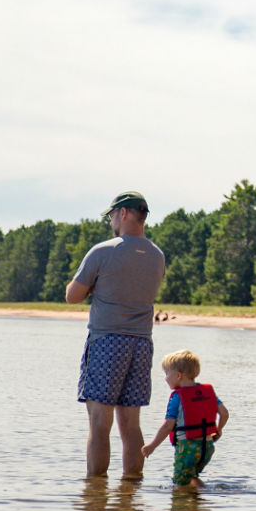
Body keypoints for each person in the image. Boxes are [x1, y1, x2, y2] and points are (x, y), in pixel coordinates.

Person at [68, 191, 167, 479]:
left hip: (107, 342)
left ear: (122, 213)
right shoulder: (157, 255)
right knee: (131, 425)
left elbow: (72, 296)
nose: (111, 220)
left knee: (100, 423)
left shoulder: (103, 250)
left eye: (111, 215)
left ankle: (94, 492)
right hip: (141, 343)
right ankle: (131, 490)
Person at [140, 350, 230, 488]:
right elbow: (224, 413)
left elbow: (168, 426)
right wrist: (219, 429)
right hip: (207, 447)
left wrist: (152, 446)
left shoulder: (177, 397)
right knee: (191, 477)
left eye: (166, 373)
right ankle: (199, 503)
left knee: (180, 484)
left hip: (187, 448)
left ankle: (188, 506)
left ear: (178, 375)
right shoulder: (207, 392)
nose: (165, 378)